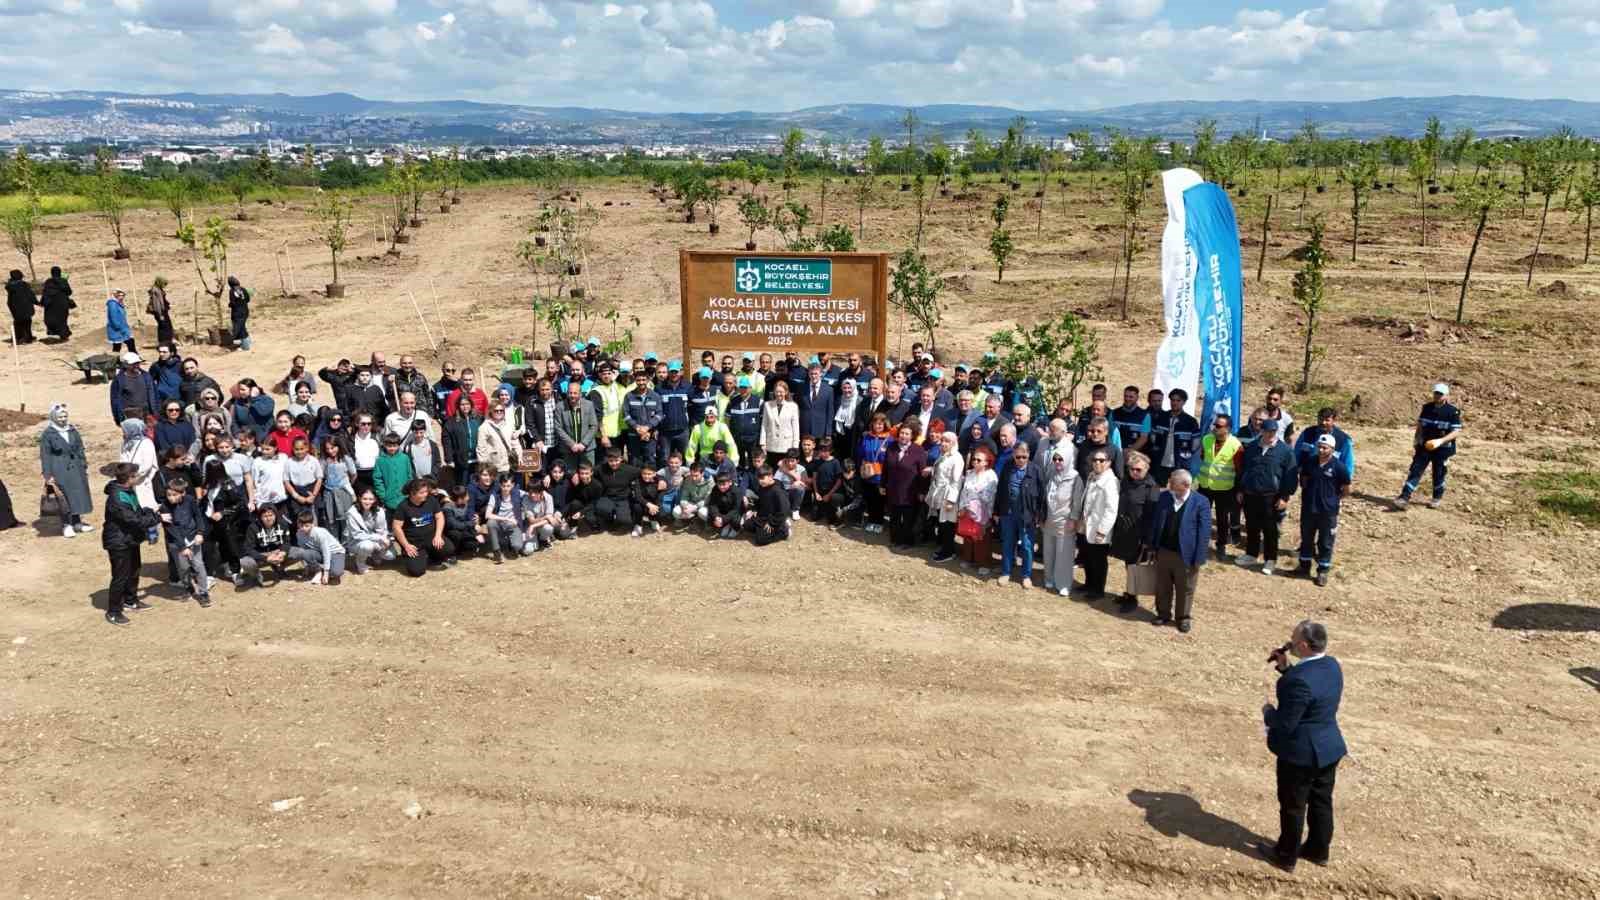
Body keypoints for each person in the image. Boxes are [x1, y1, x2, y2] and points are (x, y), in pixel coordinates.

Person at [1259, 620, 1347, 873]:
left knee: (1293, 805)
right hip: (1328, 747)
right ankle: (1318, 851)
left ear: (1305, 645)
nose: (1290, 642)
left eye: (1294, 640)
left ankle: (1285, 855)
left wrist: (1268, 713)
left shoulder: (1297, 680)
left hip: (1300, 754)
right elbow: (1310, 692)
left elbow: (1285, 724)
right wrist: (1287, 670)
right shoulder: (1331, 665)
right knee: (1321, 801)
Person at [1142, 470, 1212, 632]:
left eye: (1173, 483)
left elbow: (1204, 532)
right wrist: (1152, 546)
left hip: (1186, 555)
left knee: (1185, 588)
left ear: (1186, 485)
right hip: (1164, 551)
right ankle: (1163, 614)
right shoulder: (1165, 497)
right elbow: (1156, 522)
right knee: (1162, 586)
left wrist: (1199, 557)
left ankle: (1183, 617)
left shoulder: (1200, 502)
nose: (1169, 485)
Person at [1235, 419, 1298, 576]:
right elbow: (1244, 470)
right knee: (1252, 526)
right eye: (1267, 431)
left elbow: (1290, 476)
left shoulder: (1285, 451)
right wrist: (1241, 489)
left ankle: (1270, 559)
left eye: (1273, 432)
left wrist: (1285, 497)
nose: (1270, 434)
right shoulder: (1252, 448)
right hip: (1251, 493)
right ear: (1261, 431)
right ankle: (1251, 554)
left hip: (1271, 496)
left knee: (1270, 529)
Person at [101, 462, 160, 625]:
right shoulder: (117, 497)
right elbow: (132, 519)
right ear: (129, 478)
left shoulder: (127, 490)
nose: (139, 477)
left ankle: (130, 600)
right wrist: (156, 518)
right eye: (136, 474)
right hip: (118, 542)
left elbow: (138, 511)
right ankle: (113, 611)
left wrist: (149, 512)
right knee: (120, 576)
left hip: (130, 539)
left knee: (134, 570)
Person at [1395, 382, 1462, 510]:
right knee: (1415, 470)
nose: (1437, 396)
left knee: (1439, 473)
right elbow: (1420, 425)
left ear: (1446, 396)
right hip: (1425, 446)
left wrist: (1440, 441)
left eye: (1440, 394)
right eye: (1436, 393)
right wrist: (1417, 439)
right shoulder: (1427, 408)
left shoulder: (1452, 412)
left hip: (1442, 449)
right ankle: (1404, 497)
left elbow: (1456, 432)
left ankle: (1436, 498)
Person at [1297, 435, 1352, 586]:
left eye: (1325, 448)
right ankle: (1303, 567)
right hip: (1309, 509)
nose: (1321, 450)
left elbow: (1346, 489)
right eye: (1319, 447)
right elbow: (1304, 480)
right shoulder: (1310, 463)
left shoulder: (1339, 467)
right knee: (1306, 539)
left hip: (1328, 512)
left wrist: (1333, 500)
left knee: (1326, 542)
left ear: (1332, 449)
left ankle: (1322, 571)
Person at [1110, 451, 1159, 613]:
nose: (1135, 472)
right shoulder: (1126, 482)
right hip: (1124, 531)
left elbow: (1152, 517)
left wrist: (1147, 541)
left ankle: (1132, 598)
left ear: (1146, 469)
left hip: (1138, 535)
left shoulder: (1151, 488)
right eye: (1132, 469)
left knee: (1134, 568)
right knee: (1128, 566)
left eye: (1139, 470)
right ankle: (1129, 593)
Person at [40, 404, 94, 536]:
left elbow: (80, 448)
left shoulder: (72, 430)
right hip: (59, 469)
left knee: (77, 495)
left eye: (65, 416)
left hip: (76, 468)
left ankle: (77, 523)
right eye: (60, 417)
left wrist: (83, 463)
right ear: (54, 417)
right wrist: (48, 474)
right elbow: (45, 455)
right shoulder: (48, 434)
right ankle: (66, 525)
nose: (63, 419)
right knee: (64, 497)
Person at [1195, 413, 1243, 560]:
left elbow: (1239, 469)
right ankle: (1199, 544)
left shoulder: (1236, 445)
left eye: (1218, 426)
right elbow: (1203, 458)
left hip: (1225, 488)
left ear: (1227, 428)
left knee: (1222, 519)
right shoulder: (1206, 439)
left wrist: (1239, 490)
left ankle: (1221, 545)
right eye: (1214, 425)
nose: (1214, 428)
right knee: (1201, 516)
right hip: (1205, 486)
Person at [1073, 448, 1119, 599]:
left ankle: (1098, 590)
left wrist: (1102, 530)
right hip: (1086, 524)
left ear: (1109, 463)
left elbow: (1111, 509)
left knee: (1098, 560)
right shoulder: (1092, 476)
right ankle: (1088, 584)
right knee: (1086, 556)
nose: (1097, 463)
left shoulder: (1111, 482)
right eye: (1095, 460)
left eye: (1101, 460)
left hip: (1099, 527)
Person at [158, 477, 210, 607]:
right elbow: (170, 528)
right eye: (169, 495)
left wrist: (200, 533)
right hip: (177, 543)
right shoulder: (164, 507)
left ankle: (203, 593)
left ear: (183, 493)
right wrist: (182, 547)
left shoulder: (190, 500)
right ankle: (189, 587)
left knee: (199, 565)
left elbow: (198, 516)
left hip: (193, 538)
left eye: (174, 495)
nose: (171, 498)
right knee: (183, 568)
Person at [393, 479, 455, 576]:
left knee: (448, 549)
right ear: (412, 494)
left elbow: (439, 517)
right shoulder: (403, 506)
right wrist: (406, 546)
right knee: (416, 571)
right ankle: (416, 557)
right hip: (413, 541)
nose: (425, 494)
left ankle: (431, 556)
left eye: (426, 491)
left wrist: (438, 535)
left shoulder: (431, 500)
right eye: (422, 493)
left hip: (431, 537)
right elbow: (396, 527)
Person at [238, 505, 310, 587]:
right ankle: (257, 576)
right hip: (261, 555)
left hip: (278, 552)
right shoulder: (253, 527)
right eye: (265, 516)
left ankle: (279, 569)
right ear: (260, 517)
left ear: (275, 515)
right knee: (245, 561)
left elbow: (287, 541)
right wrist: (266, 557)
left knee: (300, 552)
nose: (268, 519)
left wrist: (283, 552)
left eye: (271, 515)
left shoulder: (282, 524)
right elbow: (249, 549)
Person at [882, 422, 928, 548]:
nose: (903, 435)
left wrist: (922, 491)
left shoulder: (918, 450)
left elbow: (922, 473)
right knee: (894, 516)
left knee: (908, 518)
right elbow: (885, 467)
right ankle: (895, 539)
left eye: (907, 433)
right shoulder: (891, 447)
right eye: (902, 433)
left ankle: (907, 541)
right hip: (893, 488)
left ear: (912, 435)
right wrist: (882, 484)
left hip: (910, 491)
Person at [955, 446, 998, 575]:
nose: (975, 462)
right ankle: (968, 559)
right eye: (974, 459)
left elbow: (988, 497)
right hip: (967, 511)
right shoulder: (970, 473)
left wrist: (974, 498)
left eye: (979, 460)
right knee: (968, 536)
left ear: (986, 462)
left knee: (981, 538)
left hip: (982, 513)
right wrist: (962, 508)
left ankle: (984, 563)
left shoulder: (991, 476)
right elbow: (964, 493)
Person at [1146, 387, 1201, 487]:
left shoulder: (1191, 422)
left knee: (1177, 493)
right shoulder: (1161, 417)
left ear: (1184, 402)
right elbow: (1152, 437)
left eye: (1178, 400)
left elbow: (1195, 444)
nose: (1174, 403)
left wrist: (1185, 458)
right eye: (1172, 400)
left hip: (1180, 465)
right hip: (1159, 464)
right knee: (1157, 493)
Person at [925, 432, 964, 562]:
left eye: (947, 441)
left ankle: (948, 552)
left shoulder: (957, 458)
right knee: (942, 524)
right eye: (942, 440)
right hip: (939, 493)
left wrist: (951, 500)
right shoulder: (944, 456)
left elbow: (956, 481)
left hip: (948, 496)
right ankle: (945, 549)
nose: (943, 443)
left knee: (948, 525)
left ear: (953, 443)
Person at [343, 487, 395, 574]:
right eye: (365, 499)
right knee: (367, 546)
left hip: (375, 539)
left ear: (375, 500)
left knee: (391, 556)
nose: (367, 502)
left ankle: (375, 555)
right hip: (356, 541)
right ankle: (360, 563)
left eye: (371, 499)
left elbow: (381, 530)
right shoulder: (352, 512)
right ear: (359, 498)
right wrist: (379, 538)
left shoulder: (379, 511)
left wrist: (383, 541)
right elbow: (357, 535)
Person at [483, 472, 533, 561]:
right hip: (500, 525)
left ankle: (511, 544)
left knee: (517, 546)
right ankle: (496, 551)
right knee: (490, 522)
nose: (506, 488)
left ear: (513, 485)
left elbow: (531, 494)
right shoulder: (495, 495)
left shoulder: (518, 493)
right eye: (503, 486)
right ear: (500, 485)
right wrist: (505, 518)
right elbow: (488, 514)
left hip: (513, 525)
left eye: (508, 486)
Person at [295, 510, 346, 585]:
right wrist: (306, 567)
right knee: (303, 552)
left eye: (306, 526)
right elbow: (303, 550)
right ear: (298, 524)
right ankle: (318, 571)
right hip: (319, 552)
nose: (303, 528)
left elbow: (326, 552)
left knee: (336, 573)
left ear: (312, 524)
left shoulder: (319, 533)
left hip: (335, 552)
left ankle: (328, 568)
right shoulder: (299, 534)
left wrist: (326, 572)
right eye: (301, 526)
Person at [759, 381, 800, 470]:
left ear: (786, 392)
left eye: (781, 392)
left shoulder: (793, 406)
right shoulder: (767, 405)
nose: (778, 394)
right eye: (777, 391)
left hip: (786, 446)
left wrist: (795, 446)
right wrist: (762, 443)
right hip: (771, 445)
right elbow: (764, 425)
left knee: (784, 471)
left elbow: (795, 427)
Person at [109, 352, 158, 425]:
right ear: (125, 365)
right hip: (130, 416)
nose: (136, 366)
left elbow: (155, 395)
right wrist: (118, 419)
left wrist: (156, 412)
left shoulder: (146, 376)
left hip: (148, 414)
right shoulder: (119, 380)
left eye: (137, 363)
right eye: (133, 364)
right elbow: (115, 401)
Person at [746, 466, 791, 545]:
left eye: (762, 478)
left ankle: (784, 531)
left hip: (773, 518)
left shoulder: (777, 491)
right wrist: (755, 509)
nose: (760, 481)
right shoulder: (762, 486)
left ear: (770, 476)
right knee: (747, 525)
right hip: (763, 516)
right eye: (759, 479)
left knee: (760, 540)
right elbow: (760, 500)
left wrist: (772, 523)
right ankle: (762, 530)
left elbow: (784, 510)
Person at [372, 433, 415, 511]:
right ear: (385, 445)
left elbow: (410, 476)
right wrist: (383, 495)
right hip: (389, 499)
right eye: (389, 446)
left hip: (405, 497)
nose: (392, 448)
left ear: (398, 445)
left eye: (395, 446)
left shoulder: (404, 458)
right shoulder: (380, 460)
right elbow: (377, 479)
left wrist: (409, 492)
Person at [629, 462, 667, 536]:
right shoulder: (637, 481)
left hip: (654, 503)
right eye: (644, 473)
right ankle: (638, 524)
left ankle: (653, 520)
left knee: (661, 512)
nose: (646, 476)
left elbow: (660, 497)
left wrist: (655, 506)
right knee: (637, 507)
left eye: (649, 474)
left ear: (654, 474)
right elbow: (638, 496)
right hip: (642, 502)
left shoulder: (660, 482)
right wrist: (649, 505)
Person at [706, 470, 744, 539]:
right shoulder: (715, 489)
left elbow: (736, 509)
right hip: (722, 512)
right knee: (710, 515)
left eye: (724, 485)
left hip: (734, 513)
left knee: (735, 519)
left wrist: (723, 519)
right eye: (719, 484)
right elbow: (712, 504)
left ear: (730, 482)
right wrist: (716, 516)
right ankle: (726, 525)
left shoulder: (736, 491)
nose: (721, 487)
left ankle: (735, 528)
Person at [39, 265, 73, 341]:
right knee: (62, 320)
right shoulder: (63, 281)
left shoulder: (48, 281)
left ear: (51, 273)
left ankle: (57, 333)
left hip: (51, 305)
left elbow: (45, 293)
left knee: (52, 319)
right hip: (62, 304)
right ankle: (64, 335)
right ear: (60, 273)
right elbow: (69, 292)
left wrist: (42, 302)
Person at [6, 269, 36, 343]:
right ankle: (27, 338)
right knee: (27, 323)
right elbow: (31, 296)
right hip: (26, 307)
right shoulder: (25, 285)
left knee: (18, 323)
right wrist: (37, 303)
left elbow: (10, 300)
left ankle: (18, 337)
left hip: (15, 308)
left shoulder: (10, 286)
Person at [146, 276, 174, 346]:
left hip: (163, 311)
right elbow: (157, 304)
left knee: (167, 326)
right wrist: (160, 314)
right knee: (164, 327)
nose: (164, 286)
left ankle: (167, 342)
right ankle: (164, 342)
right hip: (160, 312)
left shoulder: (158, 289)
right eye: (163, 284)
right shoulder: (155, 291)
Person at [226, 276, 252, 351]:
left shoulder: (232, 291)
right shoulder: (243, 289)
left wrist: (230, 305)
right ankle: (248, 342)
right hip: (245, 311)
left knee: (240, 329)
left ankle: (246, 346)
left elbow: (233, 303)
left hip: (237, 313)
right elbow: (248, 299)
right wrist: (242, 302)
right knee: (242, 326)